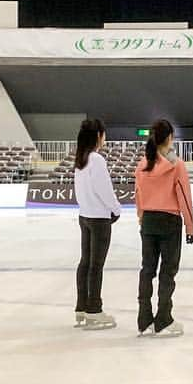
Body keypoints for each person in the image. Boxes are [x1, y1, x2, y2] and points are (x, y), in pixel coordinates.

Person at [134, 119, 193, 337]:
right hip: (169, 221)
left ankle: (144, 319)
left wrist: (141, 216)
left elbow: (138, 195)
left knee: (147, 270)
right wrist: (190, 226)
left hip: (149, 221)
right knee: (168, 271)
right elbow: (184, 198)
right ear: (169, 138)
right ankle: (163, 319)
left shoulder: (142, 165)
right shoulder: (176, 165)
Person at [72, 118, 120, 330]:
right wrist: (116, 209)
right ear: (98, 136)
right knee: (95, 266)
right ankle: (94, 310)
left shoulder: (81, 159)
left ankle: (81, 306)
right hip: (99, 218)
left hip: (85, 216)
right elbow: (105, 190)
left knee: (85, 262)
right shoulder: (96, 160)